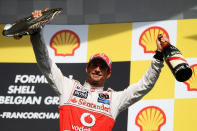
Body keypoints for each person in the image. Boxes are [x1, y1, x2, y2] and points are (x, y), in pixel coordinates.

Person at [15, 9, 166, 131]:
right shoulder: (68, 87)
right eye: (94, 65)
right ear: (87, 68)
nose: (98, 69)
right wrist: (36, 32)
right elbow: (45, 63)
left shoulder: (114, 100)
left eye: (102, 67)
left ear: (108, 74)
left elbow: (144, 86)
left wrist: (159, 56)